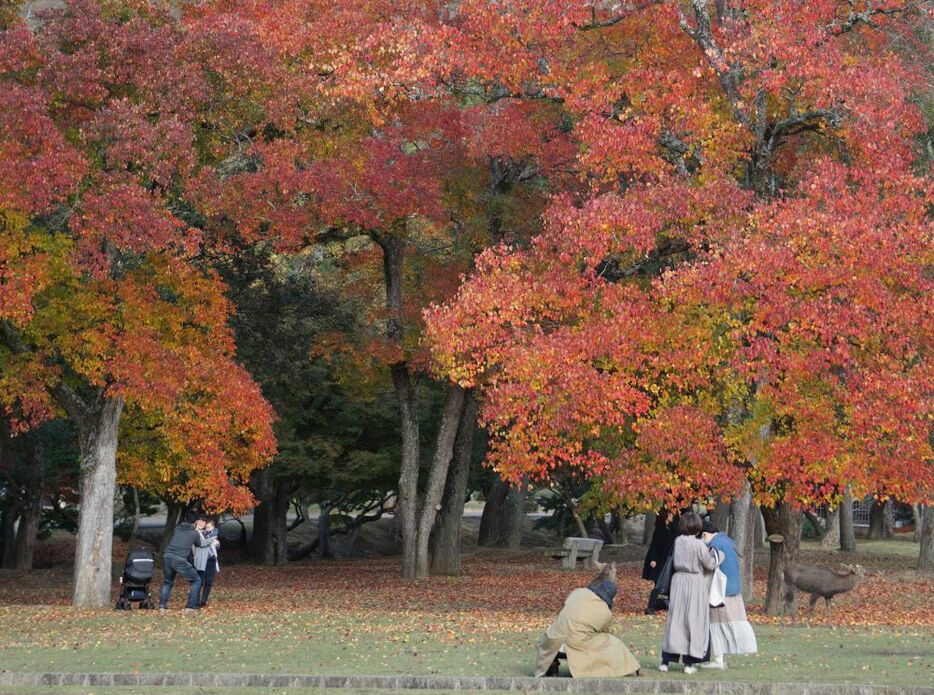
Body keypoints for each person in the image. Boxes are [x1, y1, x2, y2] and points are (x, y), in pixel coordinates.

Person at [535, 562, 641, 678]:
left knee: (560, 628)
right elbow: (605, 631)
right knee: (609, 640)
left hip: (553, 640)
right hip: (575, 644)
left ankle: (552, 664)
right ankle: (615, 667)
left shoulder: (577, 592)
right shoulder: (605, 611)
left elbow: (566, 607)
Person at [660, 510, 718, 674]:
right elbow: (709, 564)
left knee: (675, 619)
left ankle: (666, 660)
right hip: (694, 582)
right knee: (693, 620)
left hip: (678, 581)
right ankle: (689, 662)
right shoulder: (699, 544)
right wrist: (716, 556)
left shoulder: (678, 541)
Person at [700, 517, 757, 669]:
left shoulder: (715, 545)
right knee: (730, 622)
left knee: (717, 623)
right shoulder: (728, 541)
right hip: (734, 589)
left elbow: (711, 565)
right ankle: (721, 658)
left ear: (705, 534)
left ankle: (718, 660)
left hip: (720, 592)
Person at [159, 511, 218, 611]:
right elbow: (201, 544)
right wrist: (212, 540)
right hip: (179, 559)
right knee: (196, 580)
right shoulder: (194, 533)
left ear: (185, 519)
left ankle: (162, 606)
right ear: (195, 522)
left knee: (168, 582)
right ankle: (190, 606)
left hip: (167, 556)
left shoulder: (177, 528)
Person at [642, 510, 678, 614]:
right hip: (659, 560)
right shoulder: (660, 528)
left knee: (668, 582)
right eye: (670, 514)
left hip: (667, 560)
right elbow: (655, 544)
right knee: (658, 583)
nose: (672, 516)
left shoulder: (671, 528)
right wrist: (653, 559)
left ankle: (668, 605)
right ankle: (650, 607)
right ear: (665, 516)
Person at [193, 517, 220, 608]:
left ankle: (204, 600)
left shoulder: (212, 533)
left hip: (211, 559)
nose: (206, 528)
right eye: (205, 527)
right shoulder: (198, 533)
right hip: (202, 560)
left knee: (209, 581)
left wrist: (216, 543)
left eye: (207, 527)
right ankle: (196, 601)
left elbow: (216, 542)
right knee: (200, 581)